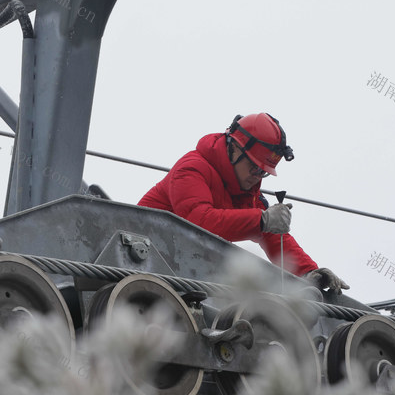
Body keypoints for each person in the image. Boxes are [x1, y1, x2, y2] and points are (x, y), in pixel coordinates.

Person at [138, 113, 349, 294]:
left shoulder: (244, 193)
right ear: (235, 149)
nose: (256, 177)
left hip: (177, 268)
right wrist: (262, 220)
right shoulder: (192, 168)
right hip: (141, 256)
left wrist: (308, 272)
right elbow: (198, 222)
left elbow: (274, 237)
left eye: (263, 172)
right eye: (254, 167)